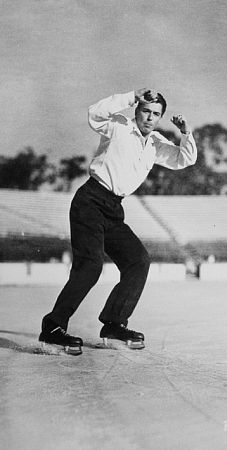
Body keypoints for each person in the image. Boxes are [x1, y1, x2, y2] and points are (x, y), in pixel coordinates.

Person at [39, 88, 197, 354]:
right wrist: (132, 95)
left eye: (155, 114)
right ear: (136, 110)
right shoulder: (119, 126)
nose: (149, 117)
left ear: (160, 118)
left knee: (138, 261)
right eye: (145, 110)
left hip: (113, 209)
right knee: (90, 266)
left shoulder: (156, 143)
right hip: (90, 200)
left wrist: (185, 133)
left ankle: (113, 324)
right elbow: (94, 114)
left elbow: (185, 158)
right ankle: (53, 328)